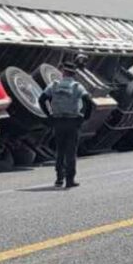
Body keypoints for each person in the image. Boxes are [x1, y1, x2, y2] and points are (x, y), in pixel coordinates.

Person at [39, 57, 95, 189]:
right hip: (72, 122)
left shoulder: (54, 85)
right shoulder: (77, 86)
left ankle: (59, 178)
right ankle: (70, 180)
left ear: (63, 72)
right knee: (71, 152)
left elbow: (42, 99)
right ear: (74, 74)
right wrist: (84, 116)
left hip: (58, 122)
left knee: (60, 150)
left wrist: (49, 115)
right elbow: (88, 101)